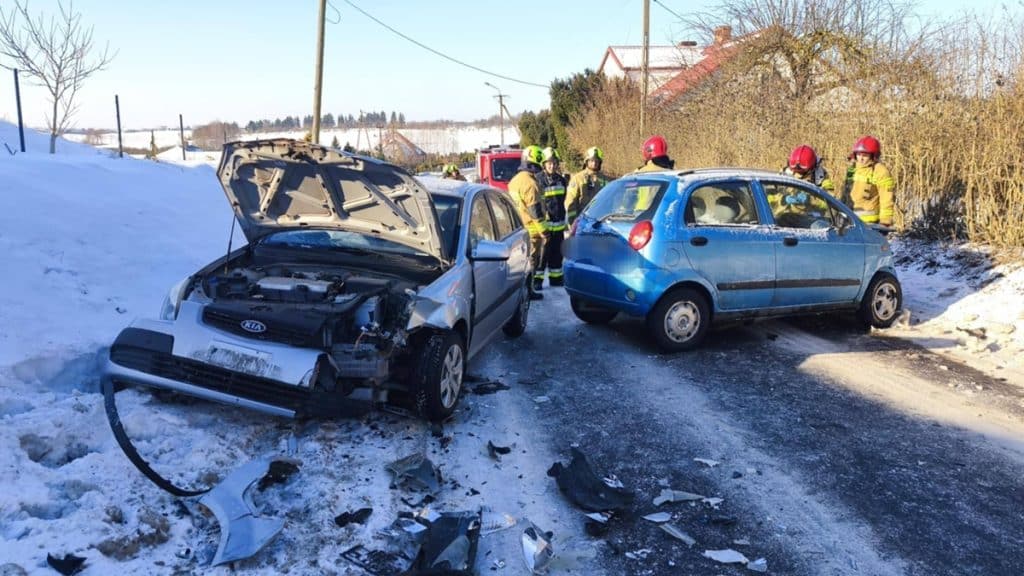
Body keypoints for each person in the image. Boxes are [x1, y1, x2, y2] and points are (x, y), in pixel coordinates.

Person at [508, 145, 547, 299]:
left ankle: (524, 291)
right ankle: (529, 291)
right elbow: (535, 211)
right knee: (532, 262)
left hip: (518, 227)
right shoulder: (531, 184)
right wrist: (545, 232)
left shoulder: (515, 180)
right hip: (532, 230)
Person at [843, 136, 895, 226]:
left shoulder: (881, 171)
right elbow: (845, 193)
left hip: (869, 223)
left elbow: (886, 199)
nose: (861, 158)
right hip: (849, 219)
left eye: (865, 155)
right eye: (859, 155)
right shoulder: (852, 169)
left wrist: (885, 222)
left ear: (873, 156)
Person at [537, 147, 568, 286]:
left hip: (559, 224)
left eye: (555, 163)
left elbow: (564, 200)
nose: (552, 166)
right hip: (545, 226)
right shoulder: (538, 180)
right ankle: (537, 280)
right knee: (542, 255)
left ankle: (556, 278)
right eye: (549, 163)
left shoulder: (561, 180)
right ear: (544, 164)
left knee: (557, 253)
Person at [566, 146, 609, 226]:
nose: (594, 163)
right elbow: (570, 202)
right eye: (592, 160)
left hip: (600, 221)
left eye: (597, 161)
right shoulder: (578, 178)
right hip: (582, 221)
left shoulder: (605, 179)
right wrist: (572, 222)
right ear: (586, 161)